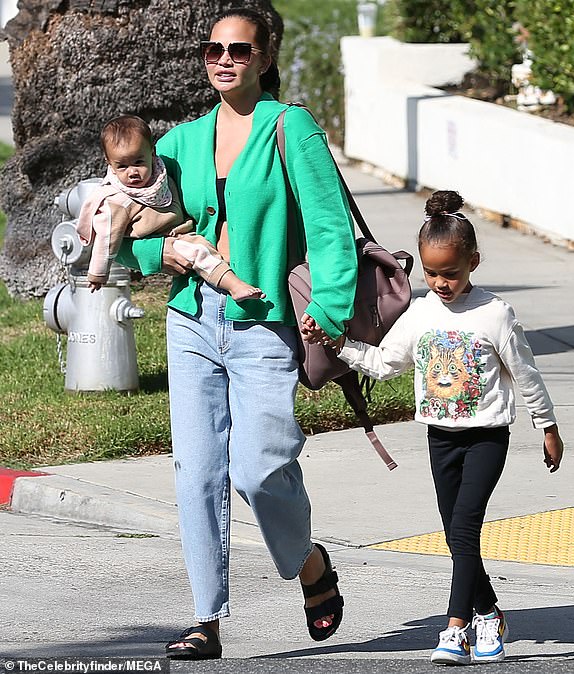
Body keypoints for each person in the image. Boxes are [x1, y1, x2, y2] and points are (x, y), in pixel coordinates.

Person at [116, 7, 357, 660]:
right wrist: (151, 256)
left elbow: (331, 227)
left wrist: (330, 308)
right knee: (196, 473)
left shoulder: (290, 128)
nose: (224, 59)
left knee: (258, 470)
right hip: (192, 320)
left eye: (239, 50)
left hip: (265, 326)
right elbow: (135, 219)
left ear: (265, 56)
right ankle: (206, 620)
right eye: (213, 49)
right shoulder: (183, 141)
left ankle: (309, 564)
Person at [320, 190, 564, 665]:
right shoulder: (421, 312)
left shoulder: (496, 314)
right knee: (455, 533)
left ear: (473, 261)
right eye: (432, 274)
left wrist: (548, 425)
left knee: (466, 526)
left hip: (486, 437)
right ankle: (489, 611)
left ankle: (456, 627)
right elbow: (384, 362)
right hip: (440, 438)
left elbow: (526, 373)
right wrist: (338, 344)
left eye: (450, 273)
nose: (440, 283)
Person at [78, 114, 263, 301]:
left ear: (152, 153)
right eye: (122, 166)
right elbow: (106, 238)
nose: (132, 172)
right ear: (109, 163)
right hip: (165, 240)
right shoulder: (117, 200)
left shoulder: (160, 174)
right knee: (200, 252)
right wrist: (98, 274)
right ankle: (234, 286)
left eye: (139, 162)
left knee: (200, 249)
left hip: (178, 232)